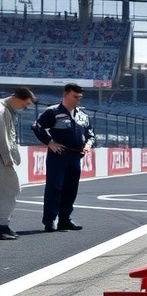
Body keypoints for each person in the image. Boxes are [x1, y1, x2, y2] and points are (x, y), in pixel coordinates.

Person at [31, 83, 93, 232]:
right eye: (75, 96)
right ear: (65, 94)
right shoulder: (53, 111)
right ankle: (50, 220)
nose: (78, 99)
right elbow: (37, 126)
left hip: (76, 156)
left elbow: (90, 134)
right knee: (55, 187)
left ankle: (65, 220)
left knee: (71, 189)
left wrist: (88, 144)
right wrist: (50, 142)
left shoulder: (83, 115)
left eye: (80, 97)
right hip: (58, 156)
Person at [0, 87, 36, 239]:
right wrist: (8, 158)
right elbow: (2, 138)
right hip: (2, 159)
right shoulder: (2, 110)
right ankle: (2, 226)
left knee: (8, 191)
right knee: (11, 190)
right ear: (16, 97)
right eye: (24, 104)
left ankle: (3, 226)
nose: (24, 107)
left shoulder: (7, 110)